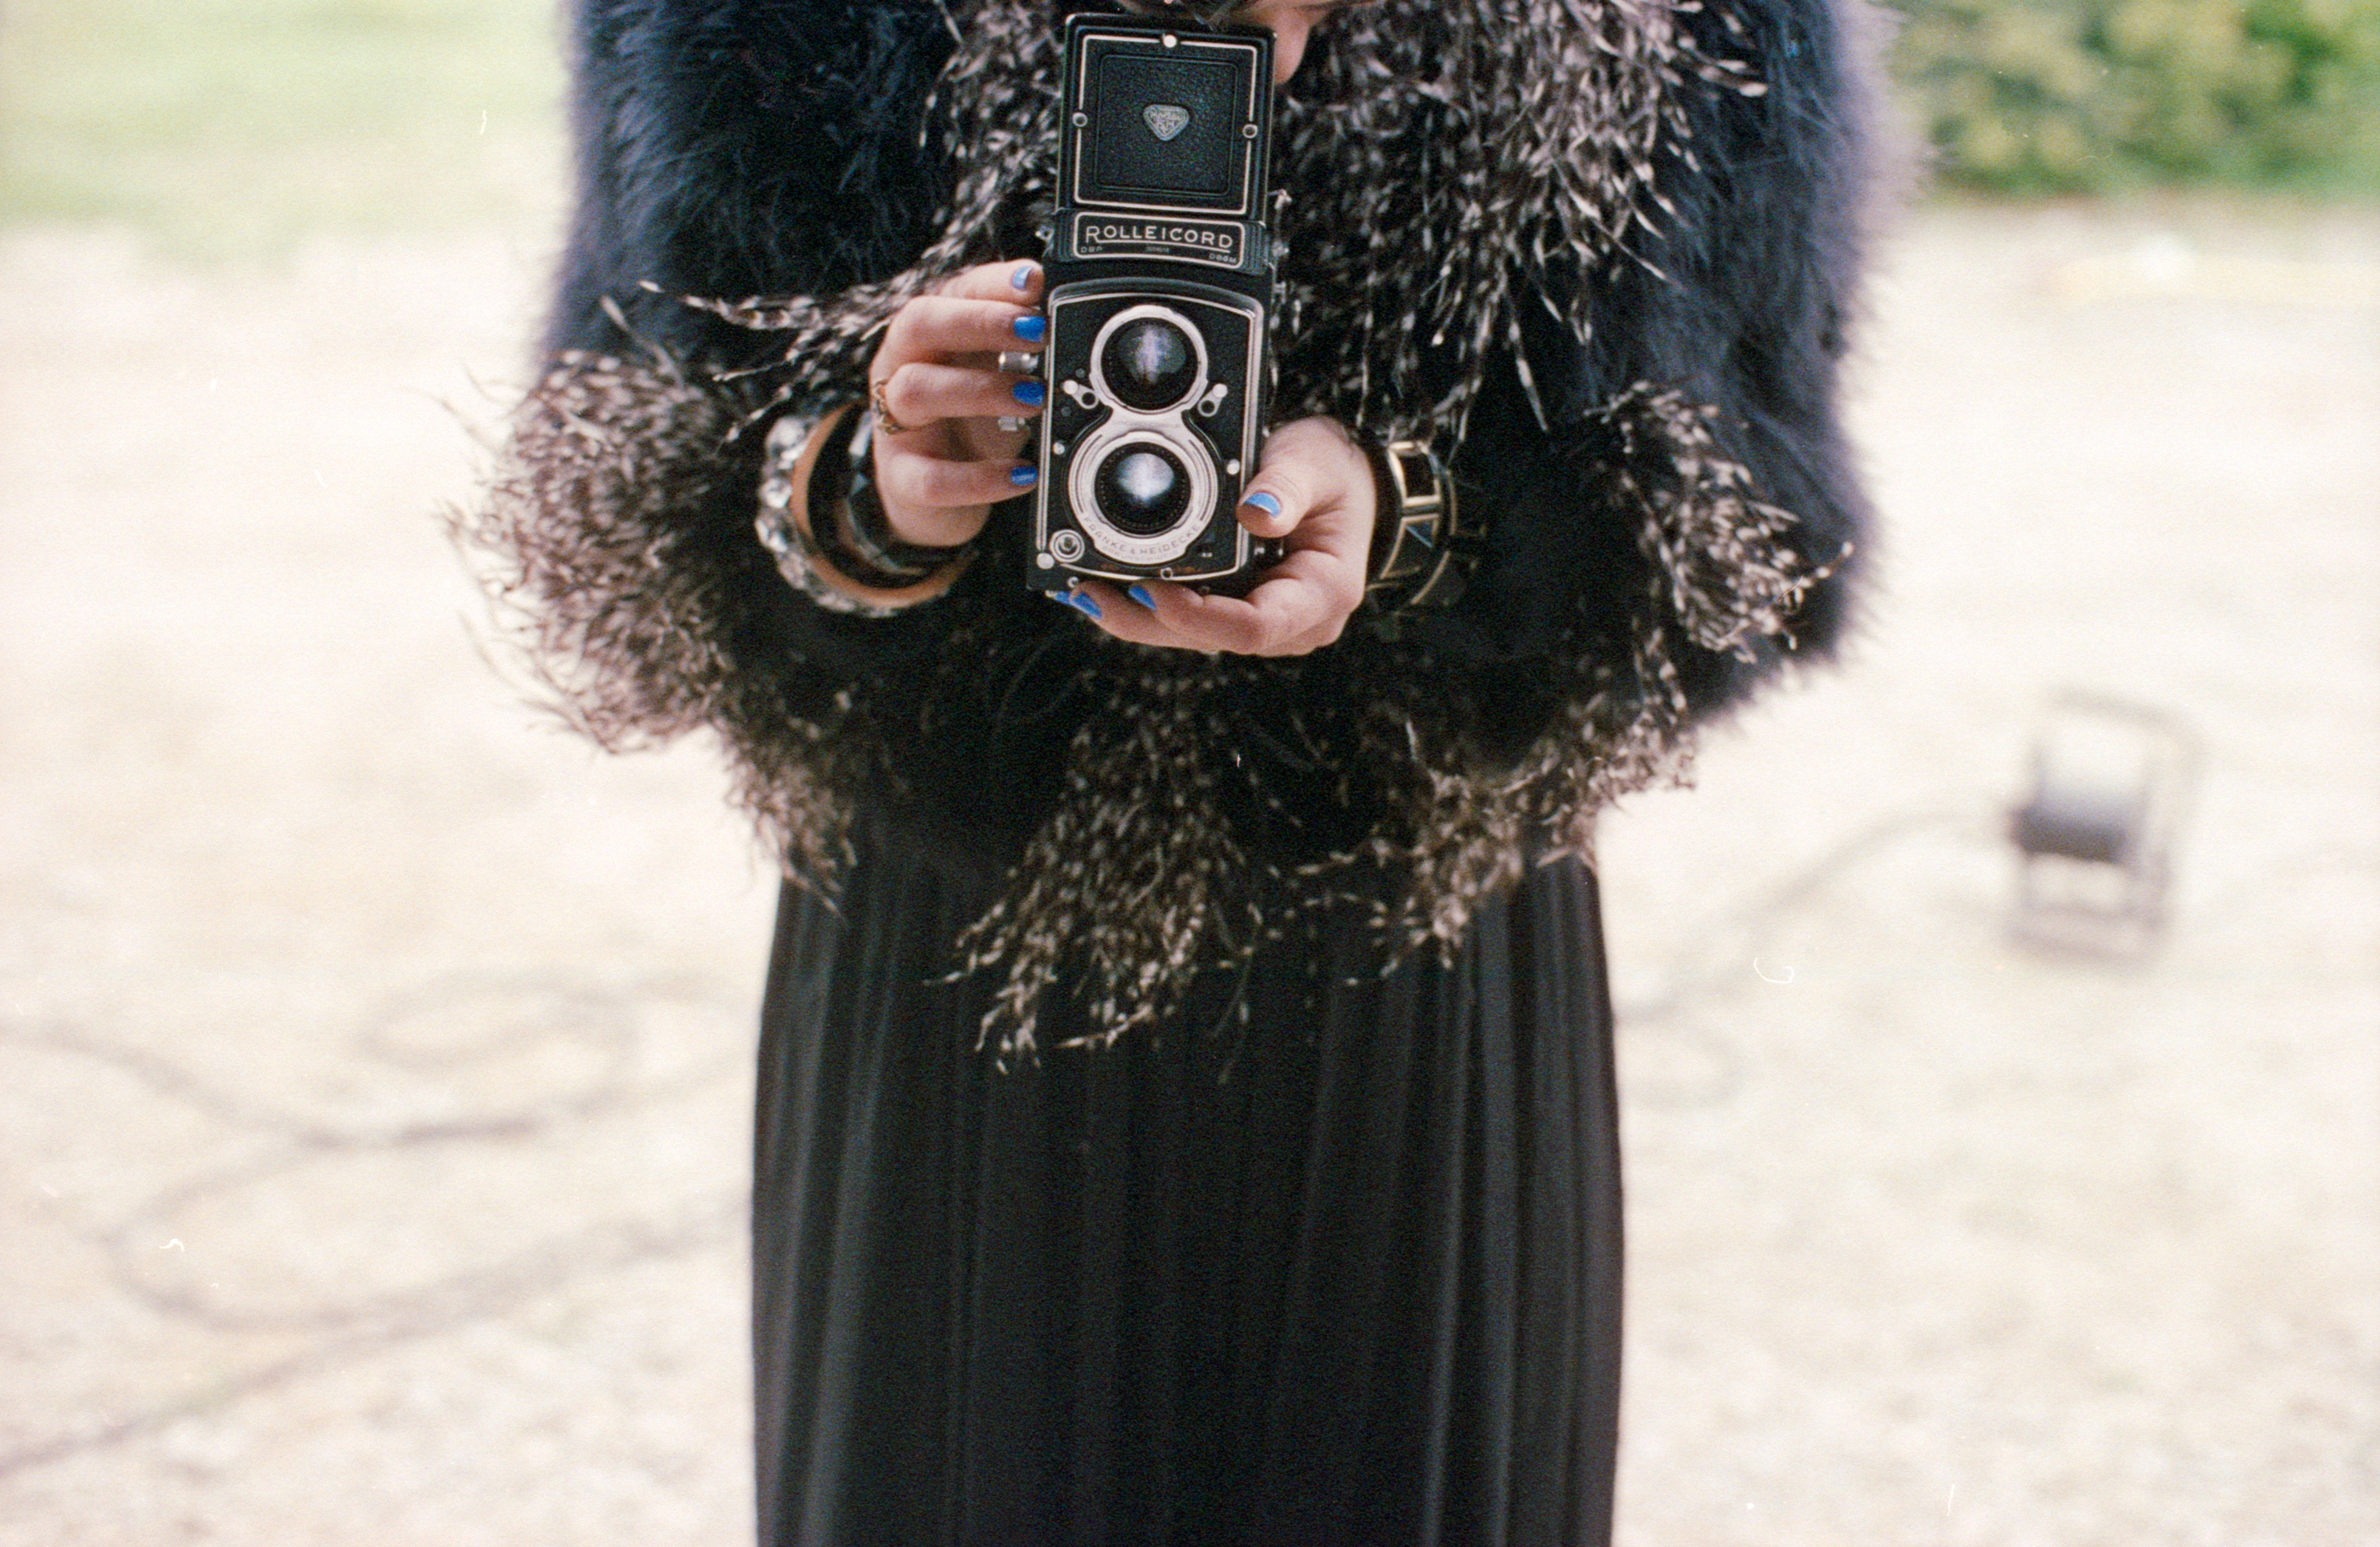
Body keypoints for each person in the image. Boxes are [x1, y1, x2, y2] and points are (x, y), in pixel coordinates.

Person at [463, 0, 1877, 1540]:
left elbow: (1758, 539)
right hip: (949, 961)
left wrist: (1416, 526)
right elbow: (630, 463)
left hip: (1419, 966)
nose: (1265, 39)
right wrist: (863, 493)